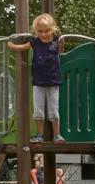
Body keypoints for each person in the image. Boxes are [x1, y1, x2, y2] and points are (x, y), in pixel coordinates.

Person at [8, 12, 64, 142]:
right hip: (38, 82)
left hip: (53, 81)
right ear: (36, 31)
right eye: (40, 31)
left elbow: (61, 52)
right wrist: (11, 45)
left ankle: (57, 135)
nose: (44, 34)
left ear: (53, 29)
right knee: (38, 111)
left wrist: (61, 44)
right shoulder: (35, 42)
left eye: (47, 31)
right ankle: (40, 135)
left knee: (53, 110)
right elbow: (22, 47)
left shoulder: (56, 41)